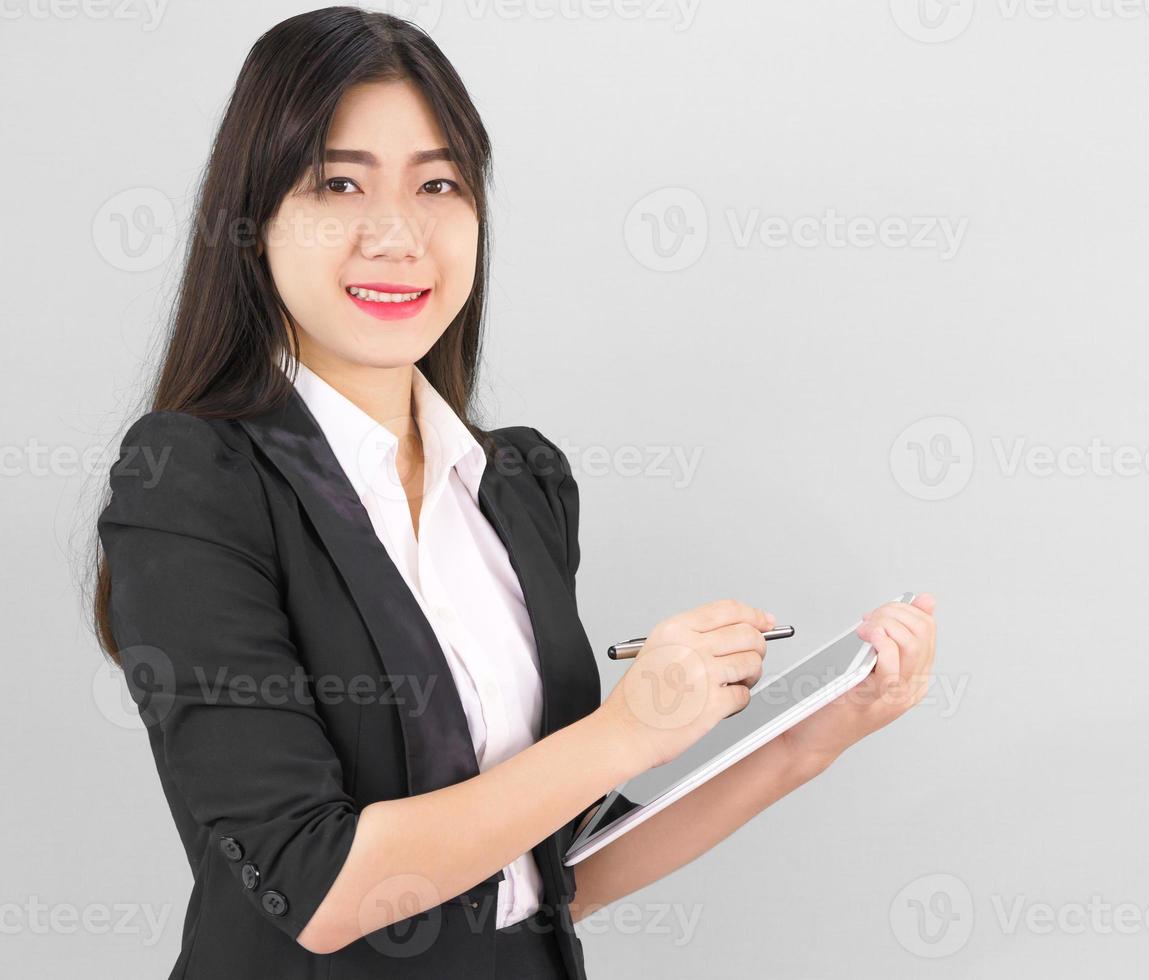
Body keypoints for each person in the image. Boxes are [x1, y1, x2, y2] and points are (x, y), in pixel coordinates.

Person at [92, 8, 939, 978]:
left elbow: (550, 867)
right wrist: (629, 728)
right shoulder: (194, 481)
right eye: (338, 182)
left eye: (439, 183)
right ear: (255, 220)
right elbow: (319, 888)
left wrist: (811, 736)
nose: (399, 232)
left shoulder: (522, 484)